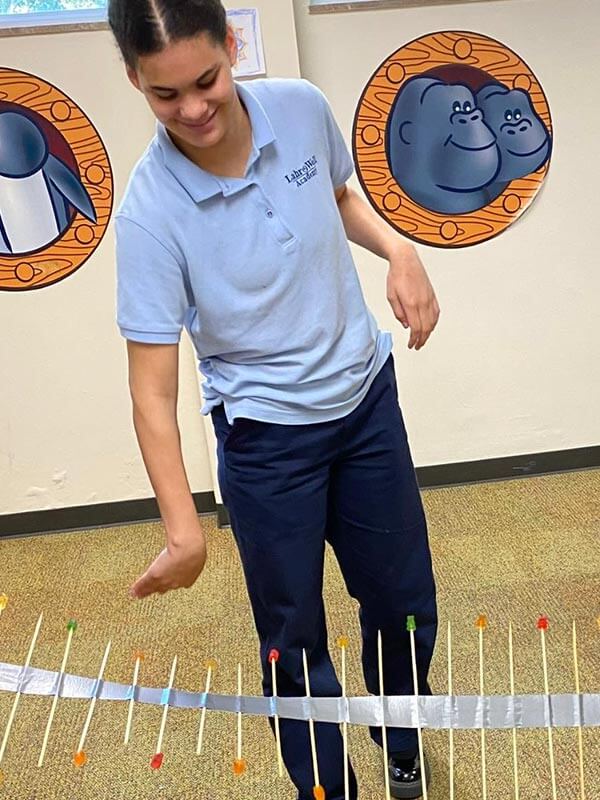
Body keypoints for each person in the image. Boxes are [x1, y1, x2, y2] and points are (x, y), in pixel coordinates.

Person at [108, 1, 440, 798]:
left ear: (231, 46)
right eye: (163, 95)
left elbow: (337, 195)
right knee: (292, 642)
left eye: (206, 81)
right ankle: (328, 787)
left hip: (363, 403)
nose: (192, 110)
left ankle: (403, 735)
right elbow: (152, 391)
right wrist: (183, 531)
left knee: (402, 600)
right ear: (133, 80)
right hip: (265, 441)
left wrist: (400, 249)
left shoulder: (300, 107)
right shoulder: (151, 214)